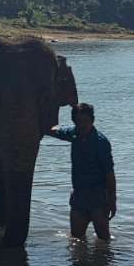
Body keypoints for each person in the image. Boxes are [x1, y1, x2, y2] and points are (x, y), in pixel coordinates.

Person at [49, 103, 117, 241]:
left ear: (92, 120)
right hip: (79, 196)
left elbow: (110, 175)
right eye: (78, 122)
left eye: (85, 121)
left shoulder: (101, 142)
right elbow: (55, 131)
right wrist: (44, 125)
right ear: (74, 121)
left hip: (98, 197)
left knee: (104, 240)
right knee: (76, 239)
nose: (82, 125)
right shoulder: (74, 133)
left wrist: (112, 200)